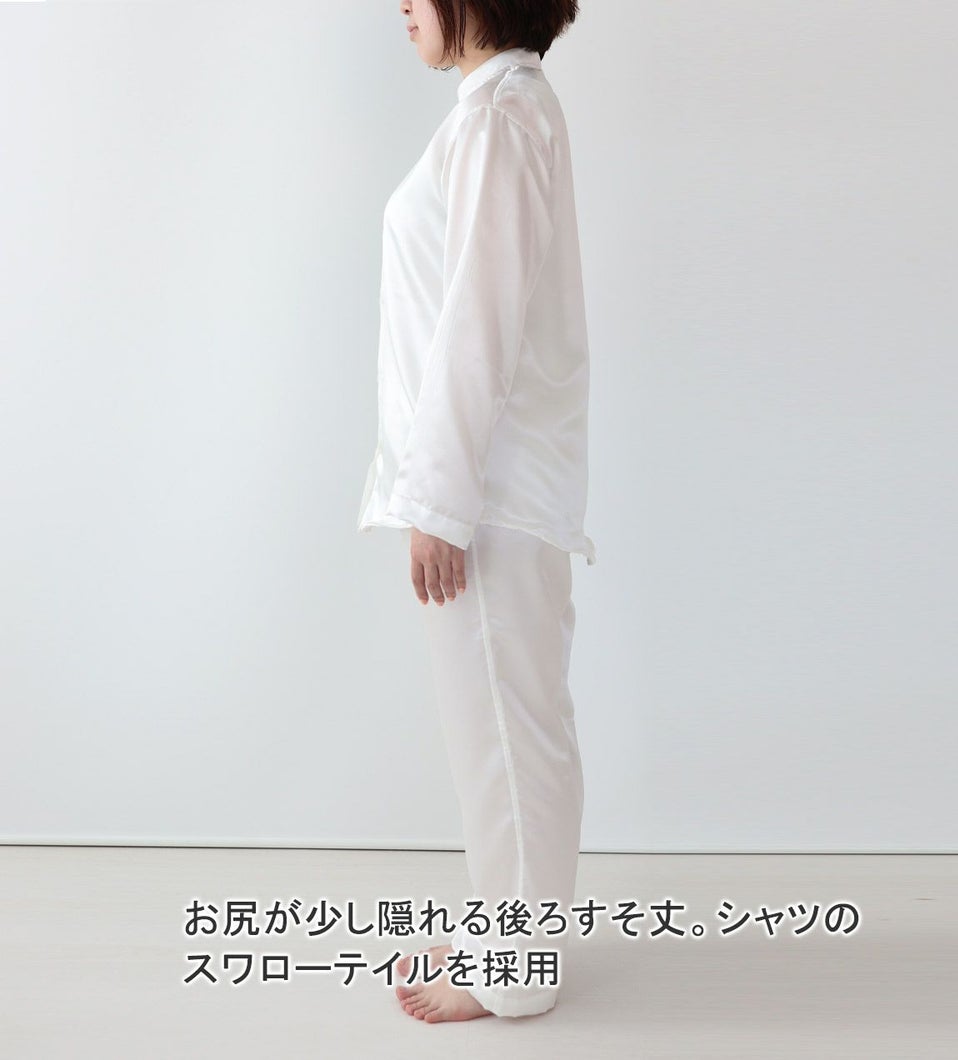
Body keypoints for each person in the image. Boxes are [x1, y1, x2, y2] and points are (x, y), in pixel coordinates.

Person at [357, 0, 596, 1021]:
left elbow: (477, 324)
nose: (400, 4)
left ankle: (515, 971)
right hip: (490, 487)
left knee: (505, 735)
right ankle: (512, 937)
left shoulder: (500, 117)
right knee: (505, 729)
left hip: (486, 493)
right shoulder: (498, 110)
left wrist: (440, 501)